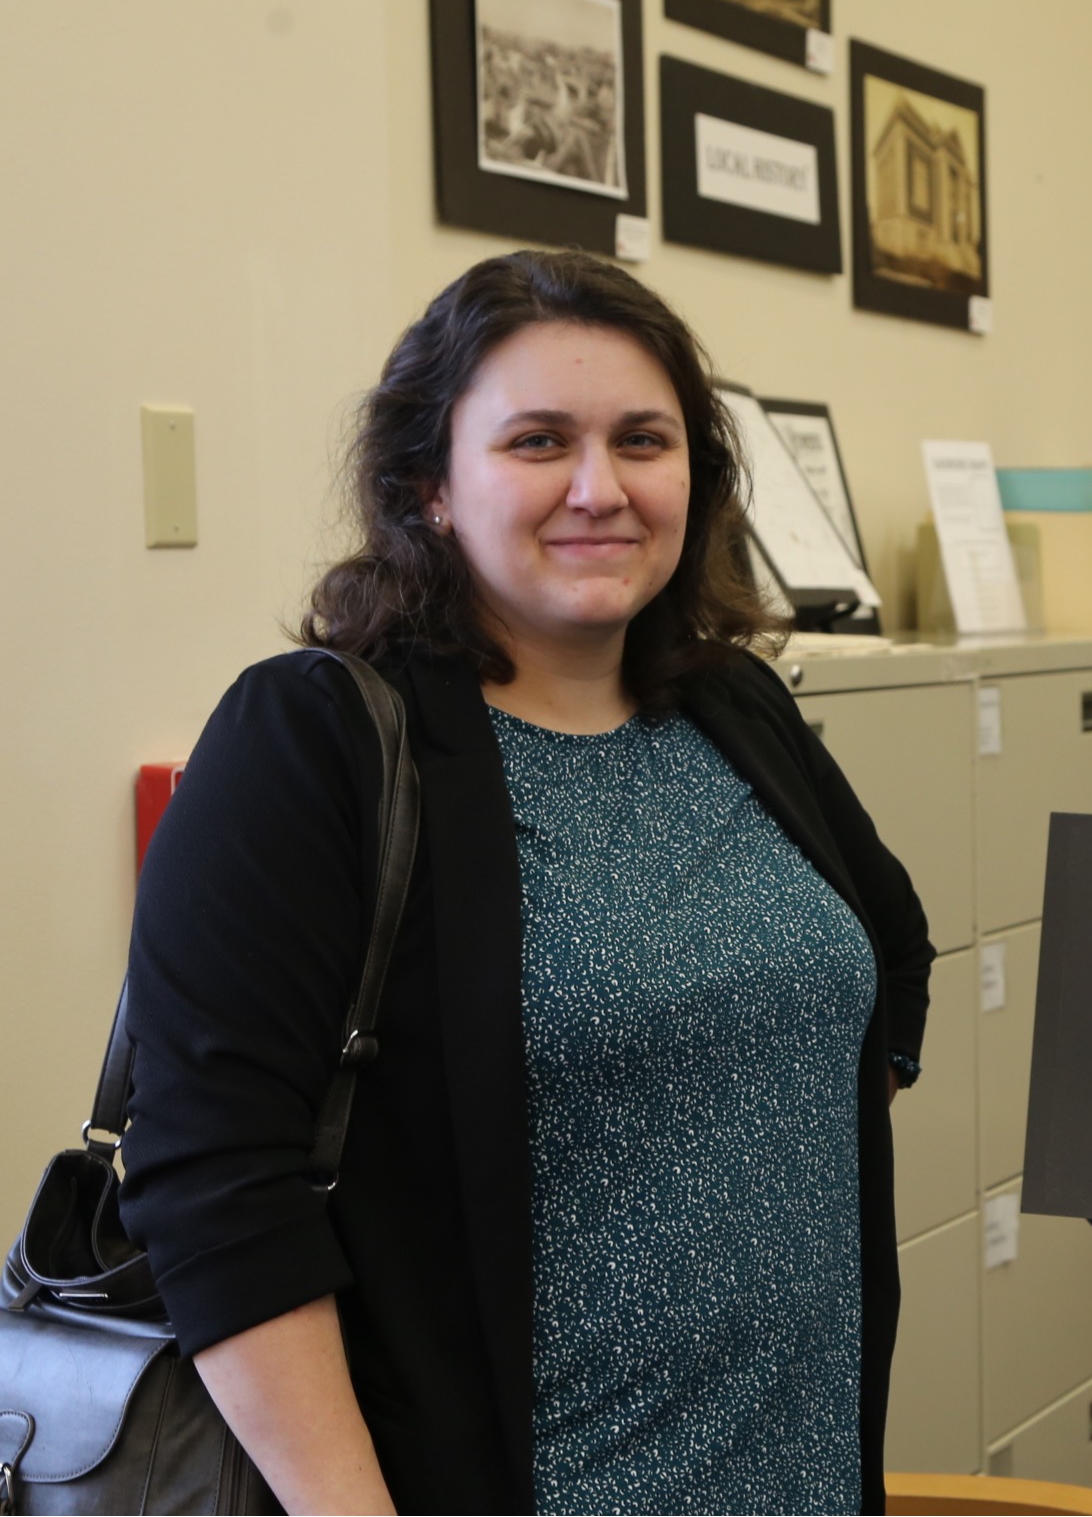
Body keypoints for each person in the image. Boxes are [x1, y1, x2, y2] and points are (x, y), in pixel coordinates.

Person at [118, 250, 933, 1515]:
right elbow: (214, 1182)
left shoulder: (733, 704)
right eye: (539, 440)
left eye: (643, 440)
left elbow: (887, 954)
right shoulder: (315, 741)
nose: (599, 488)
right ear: (428, 487)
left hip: (801, 1475)